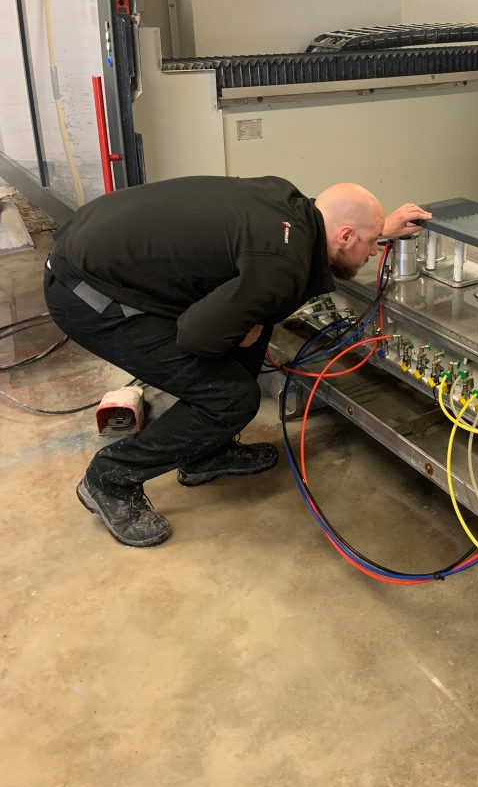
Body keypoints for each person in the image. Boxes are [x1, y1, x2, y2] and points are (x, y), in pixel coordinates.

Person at [44, 175, 431, 548]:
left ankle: (204, 453)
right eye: (371, 243)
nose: (373, 252)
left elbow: (315, 242)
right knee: (231, 398)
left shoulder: (289, 202)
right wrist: (237, 332)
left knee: (255, 323)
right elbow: (196, 337)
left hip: (100, 249)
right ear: (345, 236)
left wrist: (379, 228)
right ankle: (110, 478)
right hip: (85, 293)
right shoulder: (281, 266)